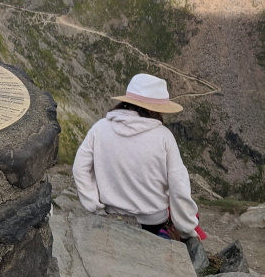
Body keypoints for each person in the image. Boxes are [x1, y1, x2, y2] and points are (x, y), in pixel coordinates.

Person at [73, 73, 199, 240]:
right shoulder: (164, 137)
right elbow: (179, 185)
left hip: (111, 216)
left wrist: (95, 207)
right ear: (149, 109)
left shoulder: (100, 128)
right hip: (153, 222)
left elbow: (79, 168)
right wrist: (187, 230)